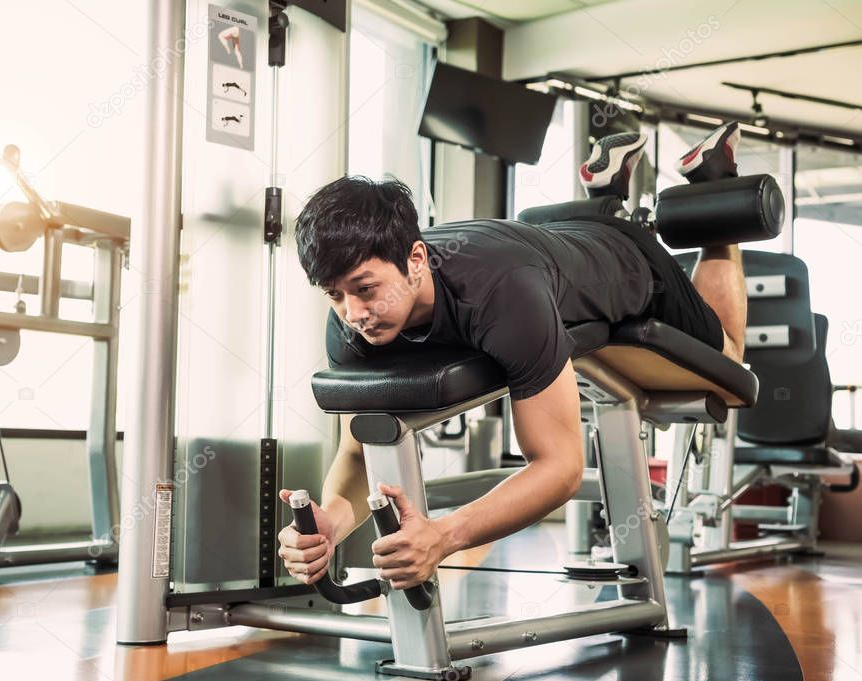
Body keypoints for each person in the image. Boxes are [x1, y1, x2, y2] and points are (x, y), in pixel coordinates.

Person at [277, 122, 746, 591]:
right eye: (334, 294)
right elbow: (357, 454)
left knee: (728, 356)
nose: (354, 313)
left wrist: (443, 536)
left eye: (365, 289)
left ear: (415, 260)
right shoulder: (348, 322)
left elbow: (559, 467)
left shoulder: (502, 296)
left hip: (626, 261)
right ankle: (603, 193)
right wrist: (332, 523)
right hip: (546, 241)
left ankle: (714, 186)